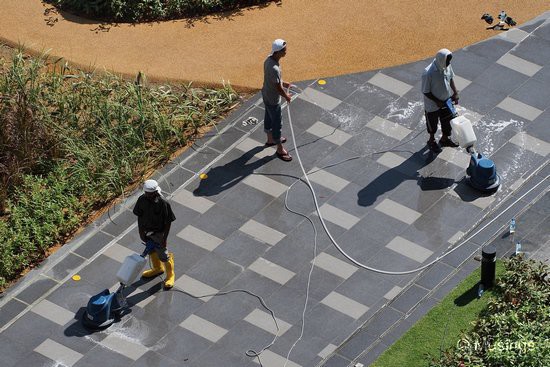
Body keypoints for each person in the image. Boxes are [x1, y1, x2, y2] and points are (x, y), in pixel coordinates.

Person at [133, 179, 176, 289]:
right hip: (146, 231)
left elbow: (168, 222)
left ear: (155, 192)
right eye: (146, 193)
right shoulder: (142, 200)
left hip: (159, 233)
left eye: (150, 194)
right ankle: (158, 269)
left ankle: (170, 275)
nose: (148, 195)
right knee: (151, 250)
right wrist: (140, 232)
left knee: (163, 254)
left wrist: (164, 238)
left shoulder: (163, 203)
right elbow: (139, 216)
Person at [421, 48, 460, 153]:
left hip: (446, 101)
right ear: (441, 60)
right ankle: (431, 140)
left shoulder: (447, 66)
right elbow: (425, 91)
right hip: (433, 105)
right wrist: (437, 101)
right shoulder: (428, 73)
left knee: (447, 120)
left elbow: (450, 78)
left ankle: (445, 139)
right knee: (432, 124)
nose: (449, 63)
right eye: (447, 61)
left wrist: (455, 92)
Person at [262, 38, 293, 162]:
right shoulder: (274, 68)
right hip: (273, 98)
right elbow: (277, 87)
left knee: (269, 117)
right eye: (284, 50)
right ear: (278, 51)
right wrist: (286, 96)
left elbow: (273, 80)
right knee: (277, 123)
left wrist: (283, 83)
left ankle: (270, 140)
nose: (286, 52)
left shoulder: (268, 60)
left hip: (266, 94)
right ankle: (280, 149)